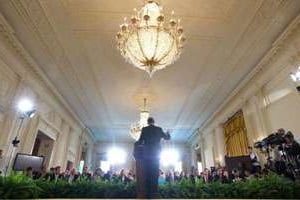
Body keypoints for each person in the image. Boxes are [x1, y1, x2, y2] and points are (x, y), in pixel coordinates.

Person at [135, 117, 170, 198]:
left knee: (147, 174)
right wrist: (168, 133)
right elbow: (167, 138)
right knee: (154, 174)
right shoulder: (159, 129)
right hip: (156, 155)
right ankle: (154, 194)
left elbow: (140, 141)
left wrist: (136, 144)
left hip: (147, 155)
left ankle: (147, 195)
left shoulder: (144, 129)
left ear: (147, 122)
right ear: (154, 122)